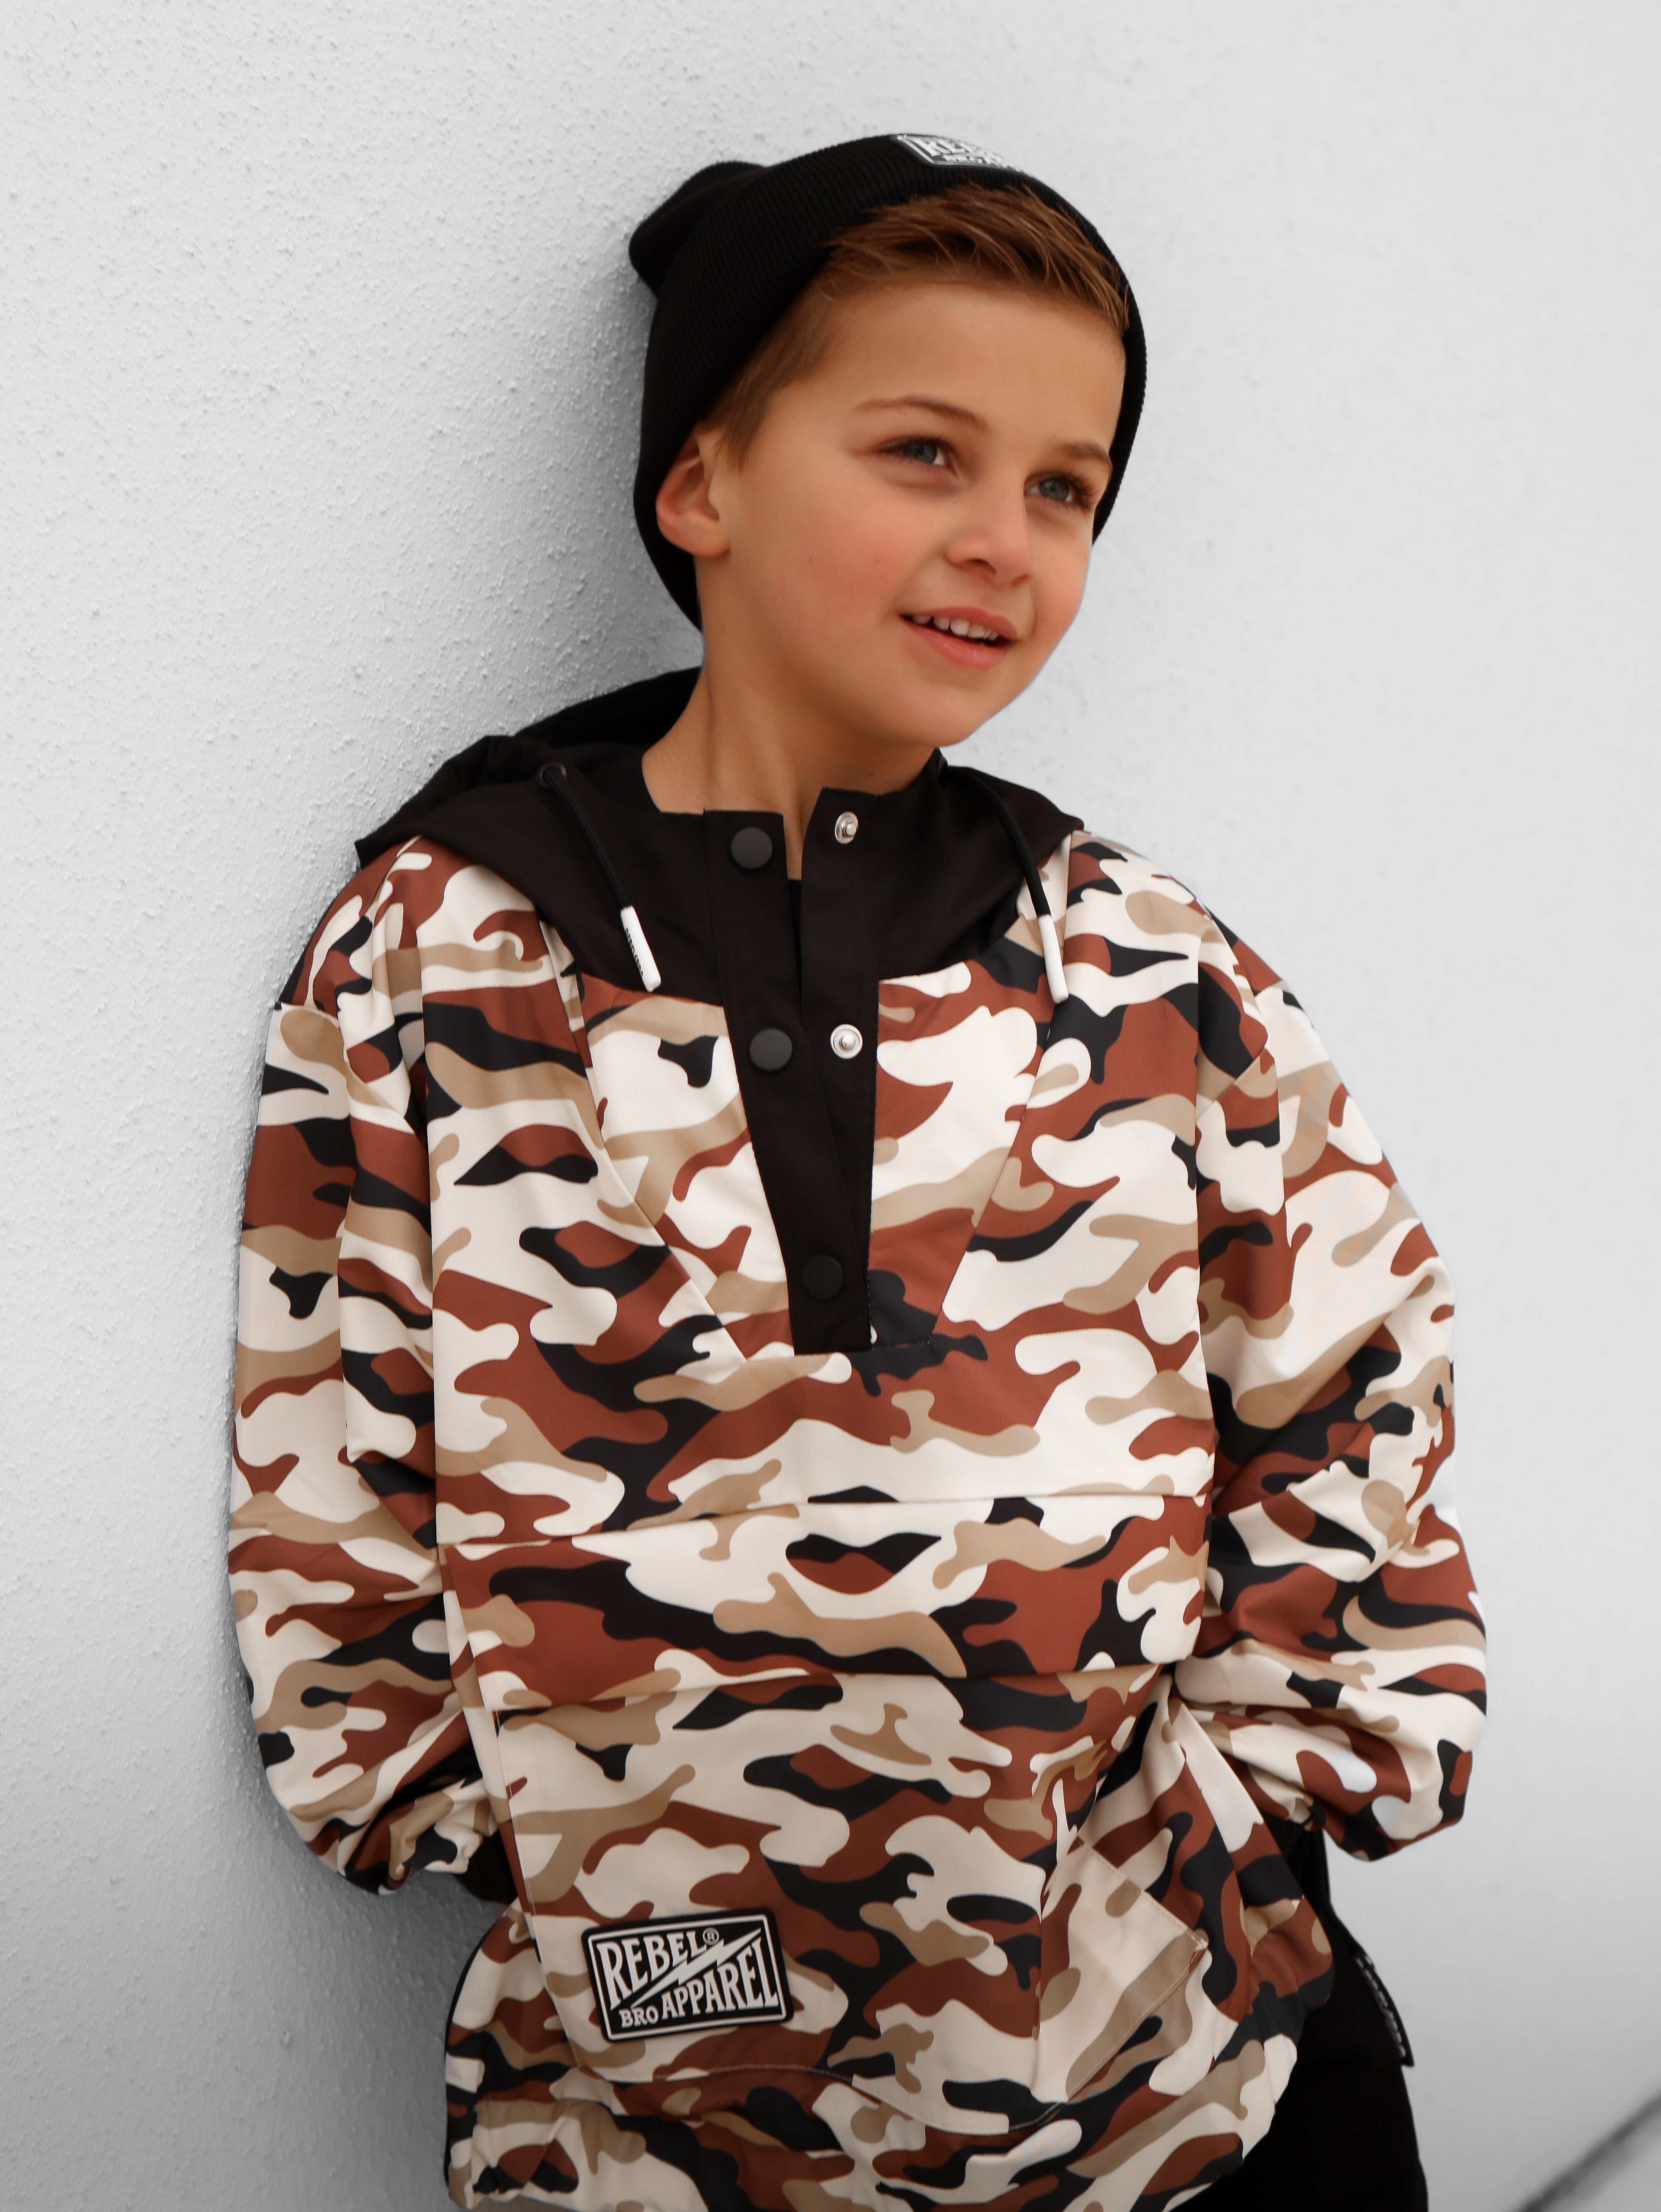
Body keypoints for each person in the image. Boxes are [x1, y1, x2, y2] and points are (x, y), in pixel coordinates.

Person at [230, 133, 1485, 2210]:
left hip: (1194, 2094)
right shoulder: (440, 959)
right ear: (701, 485)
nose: (1004, 541)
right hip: (655, 2134)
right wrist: (550, 1859)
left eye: (1066, 488)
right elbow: (330, 1479)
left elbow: (1350, 1392)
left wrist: (1257, 1817)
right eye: (924, 452)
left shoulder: (1145, 965)